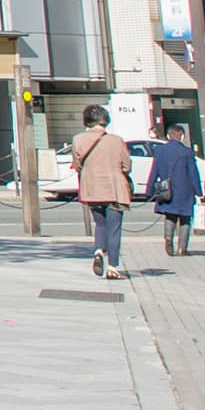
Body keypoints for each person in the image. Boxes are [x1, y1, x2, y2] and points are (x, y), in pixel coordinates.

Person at [73, 103, 134, 281]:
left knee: (100, 224)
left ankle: (99, 250)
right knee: (114, 228)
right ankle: (113, 267)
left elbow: (77, 166)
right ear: (105, 120)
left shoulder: (78, 139)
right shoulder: (116, 140)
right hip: (114, 188)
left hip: (92, 188)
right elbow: (126, 166)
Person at [152, 122, 205, 259]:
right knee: (185, 218)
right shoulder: (186, 152)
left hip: (166, 189)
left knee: (170, 215)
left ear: (169, 135)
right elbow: (193, 173)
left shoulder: (160, 150)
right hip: (184, 190)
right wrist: (198, 191)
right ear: (182, 136)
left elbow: (154, 170)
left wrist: (149, 189)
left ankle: (168, 238)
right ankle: (182, 248)